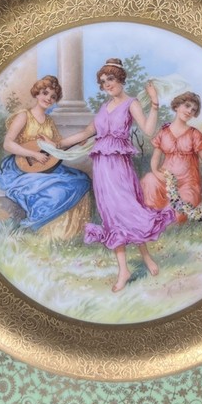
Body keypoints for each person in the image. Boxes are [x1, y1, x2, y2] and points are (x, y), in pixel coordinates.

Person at [56, 59, 176, 292]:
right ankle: (123, 270)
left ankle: (146, 257)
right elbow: (87, 132)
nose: (107, 85)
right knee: (111, 215)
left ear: (120, 79)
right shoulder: (104, 107)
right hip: (102, 168)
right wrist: (58, 144)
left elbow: (148, 130)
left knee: (129, 210)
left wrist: (154, 104)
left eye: (110, 79)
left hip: (119, 167)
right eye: (103, 82)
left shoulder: (131, 103)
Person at [0, 75, 91, 237]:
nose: (48, 98)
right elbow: (8, 144)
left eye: (53, 96)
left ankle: (56, 232)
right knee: (53, 191)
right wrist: (33, 153)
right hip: (19, 167)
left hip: (44, 165)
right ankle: (31, 226)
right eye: (45, 93)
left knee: (82, 180)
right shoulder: (24, 115)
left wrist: (77, 141)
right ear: (37, 93)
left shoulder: (49, 121)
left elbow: (57, 148)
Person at [141, 91, 202, 220]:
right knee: (149, 180)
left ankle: (165, 218)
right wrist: (156, 173)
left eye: (193, 109)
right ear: (177, 106)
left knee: (177, 213)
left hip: (188, 184)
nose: (190, 111)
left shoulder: (194, 134)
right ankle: (150, 216)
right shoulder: (163, 132)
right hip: (165, 181)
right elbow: (155, 159)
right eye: (187, 106)